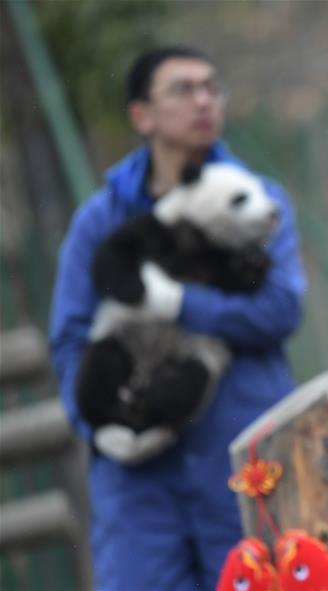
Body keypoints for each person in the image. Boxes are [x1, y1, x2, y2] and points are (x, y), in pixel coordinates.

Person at [49, 46, 306, 590]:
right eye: (184, 89)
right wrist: (99, 427)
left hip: (243, 459)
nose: (204, 101)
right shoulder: (100, 221)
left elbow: (281, 308)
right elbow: (71, 338)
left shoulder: (254, 200)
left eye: (212, 87)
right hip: (137, 482)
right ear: (141, 115)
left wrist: (180, 304)